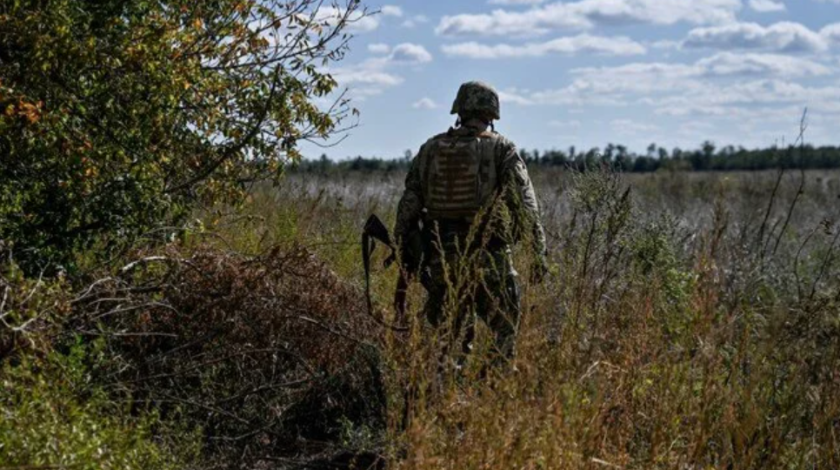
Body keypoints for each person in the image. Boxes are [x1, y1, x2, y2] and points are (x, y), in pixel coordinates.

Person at [393, 81, 548, 366]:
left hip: (442, 258)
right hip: (490, 257)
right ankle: (495, 392)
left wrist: (401, 243)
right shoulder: (501, 148)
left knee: (448, 339)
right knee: (504, 331)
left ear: (459, 110)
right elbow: (526, 205)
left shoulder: (430, 149)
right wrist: (538, 251)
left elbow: (409, 203)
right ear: (492, 113)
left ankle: (445, 395)